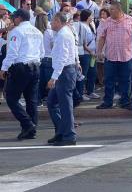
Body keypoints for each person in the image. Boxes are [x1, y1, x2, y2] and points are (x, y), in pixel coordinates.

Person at [0, 9, 44, 140]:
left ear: (19, 18)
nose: (13, 19)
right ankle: (31, 129)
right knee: (31, 100)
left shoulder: (17, 31)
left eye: (14, 17)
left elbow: (12, 53)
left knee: (11, 97)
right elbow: (41, 52)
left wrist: (4, 68)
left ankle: (28, 124)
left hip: (21, 67)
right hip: (35, 66)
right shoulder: (37, 31)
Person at [96, 1, 132, 110]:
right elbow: (102, 37)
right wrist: (99, 51)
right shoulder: (107, 22)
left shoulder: (130, 20)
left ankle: (125, 101)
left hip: (126, 56)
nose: (110, 11)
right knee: (109, 80)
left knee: (126, 80)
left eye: (112, 9)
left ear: (119, 10)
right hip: (110, 56)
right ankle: (107, 102)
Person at [47, 12, 79, 146]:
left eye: (53, 21)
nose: (51, 23)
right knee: (52, 102)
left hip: (64, 72)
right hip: (65, 71)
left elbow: (63, 57)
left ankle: (69, 135)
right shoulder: (63, 33)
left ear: (59, 21)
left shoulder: (63, 35)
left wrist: (54, 77)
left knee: (65, 106)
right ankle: (61, 131)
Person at [75, 9, 99, 101]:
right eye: (91, 15)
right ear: (87, 16)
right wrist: (91, 52)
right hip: (86, 54)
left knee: (92, 73)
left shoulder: (90, 25)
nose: (93, 17)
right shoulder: (82, 26)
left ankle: (90, 91)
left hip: (92, 54)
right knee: (83, 75)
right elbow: (83, 43)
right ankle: (80, 93)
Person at [35, 8, 54, 106]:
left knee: (39, 81)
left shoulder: (34, 32)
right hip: (49, 58)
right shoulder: (50, 32)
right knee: (49, 81)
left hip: (38, 58)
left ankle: (38, 100)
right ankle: (49, 100)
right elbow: (53, 45)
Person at [96, 8, 110, 86]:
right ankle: (100, 80)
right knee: (99, 64)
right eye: (101, 14)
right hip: (98, 44)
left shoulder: (108, 22)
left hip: (106, 45)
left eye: (104, 14)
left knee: (105, 64)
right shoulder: (99, 22)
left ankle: (106, 80)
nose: (102, 15)